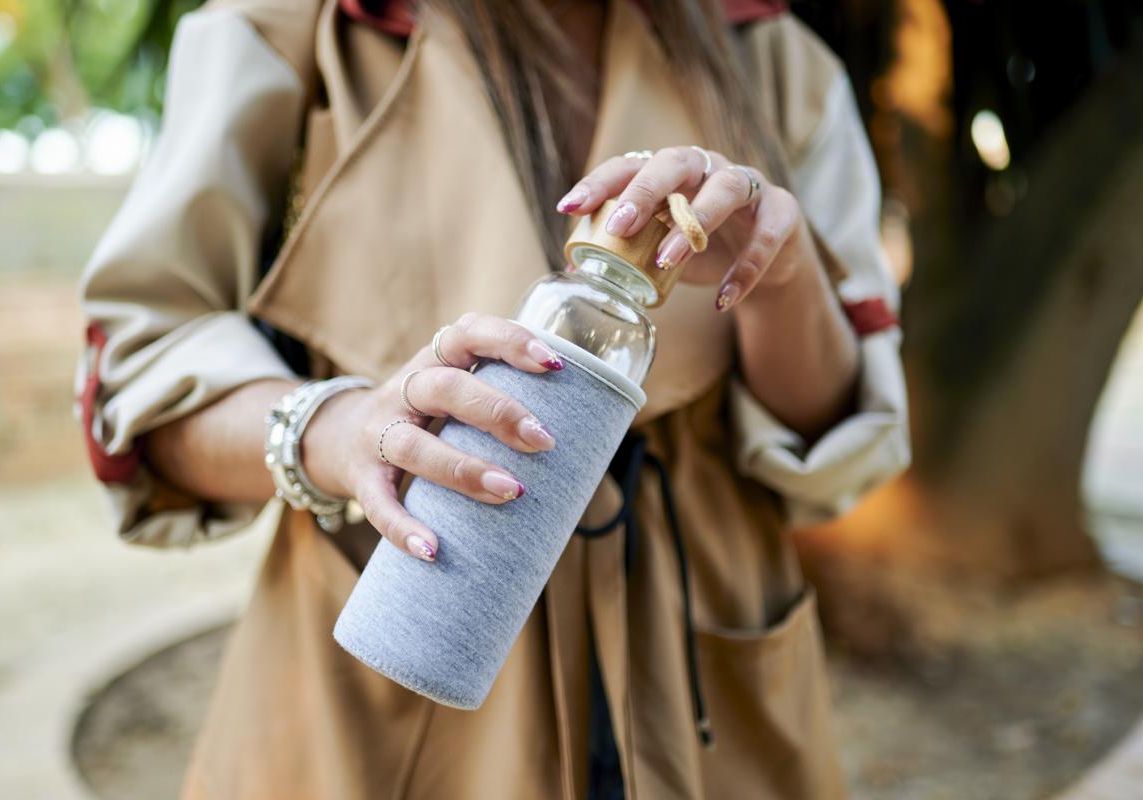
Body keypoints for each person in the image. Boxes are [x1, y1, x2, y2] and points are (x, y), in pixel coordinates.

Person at [77, 0, 910, 797]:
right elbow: (142, 377)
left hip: (703, 674)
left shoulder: (777, 60)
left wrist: (781, 280)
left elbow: (841, 441)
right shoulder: (289, 32)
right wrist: (344, 430)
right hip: (388, 662)